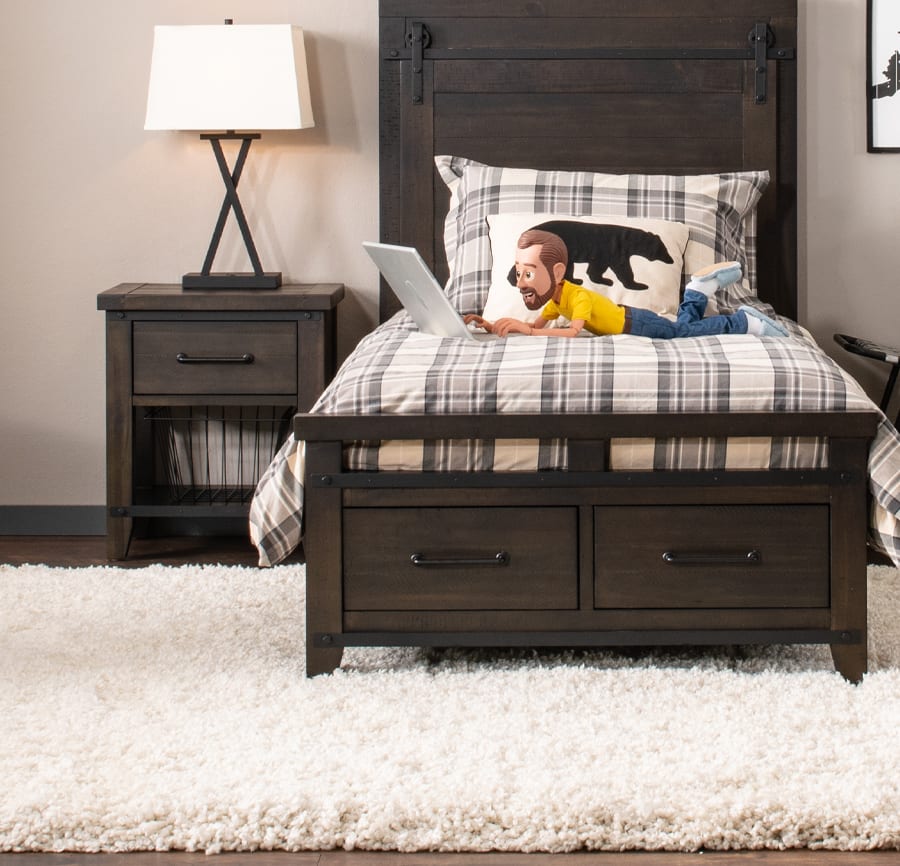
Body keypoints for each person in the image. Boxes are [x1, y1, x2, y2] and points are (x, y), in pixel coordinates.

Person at [464, 228, 788, 339]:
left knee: (682, 334)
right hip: (631, 319)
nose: (521, 282)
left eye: (528, 273)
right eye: (519, 273)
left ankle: (742, 322)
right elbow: (532, 324)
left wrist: (532, 331)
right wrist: (491, 324)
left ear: (559, 271)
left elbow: (572, 331)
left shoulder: (577, 298)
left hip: (635, 324)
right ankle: (698, 291)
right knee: (681, 329)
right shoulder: (555, 300)